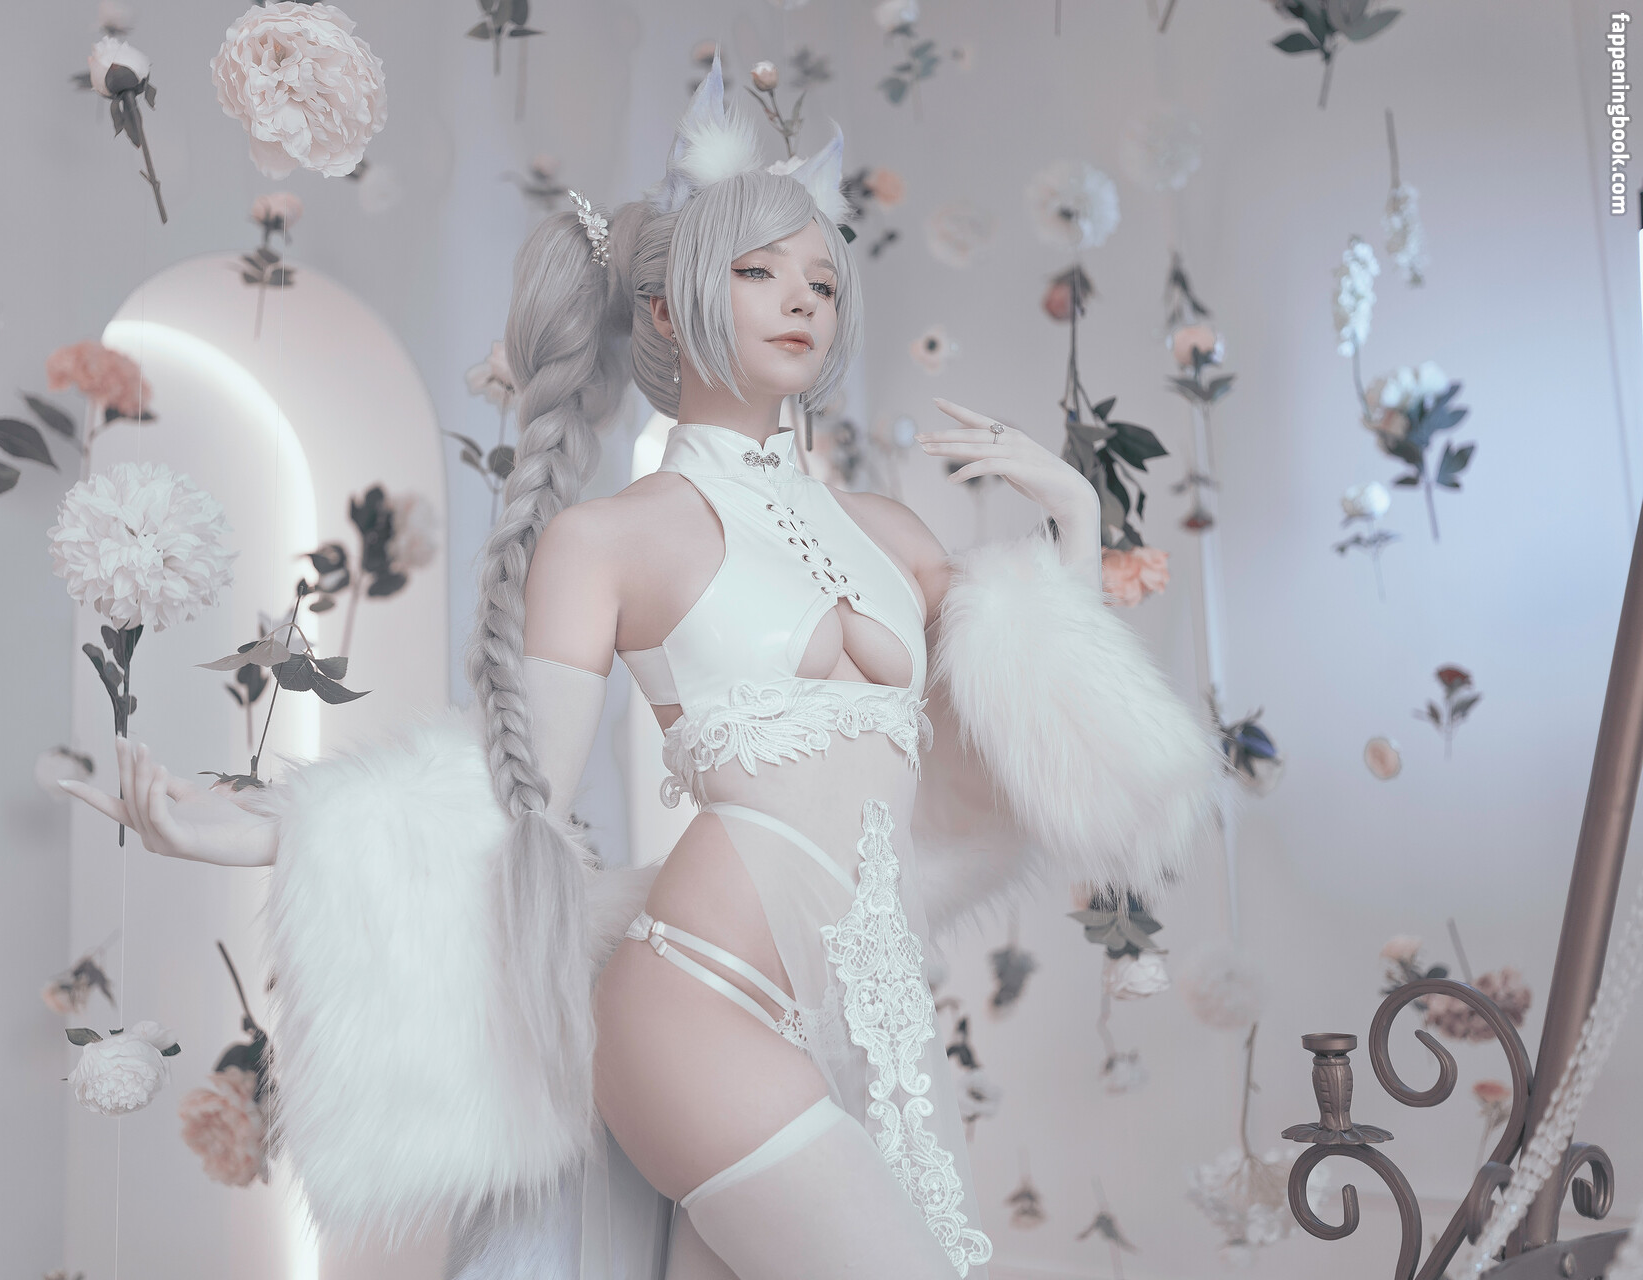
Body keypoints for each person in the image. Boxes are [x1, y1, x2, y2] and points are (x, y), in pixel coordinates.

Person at [64, 57, 1220, 1280]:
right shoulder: (610, 538)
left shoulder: (892, 534)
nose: (802, 298)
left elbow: (1030, 732)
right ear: (666, 312)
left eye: (822, 278)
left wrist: (1074, 526)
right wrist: (267, 828)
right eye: (759, 271)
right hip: (694, 1005)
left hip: (858, 1016)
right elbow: (513, 787)